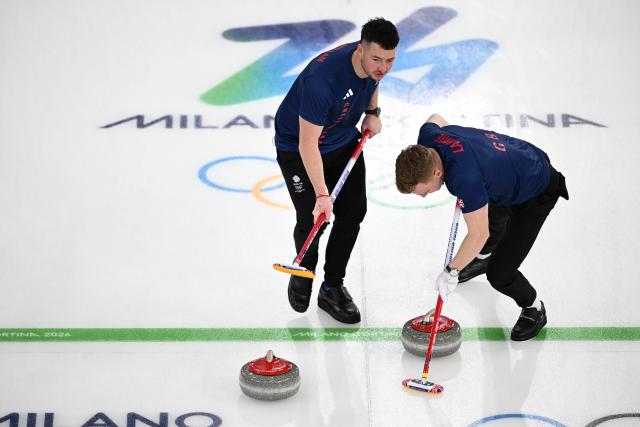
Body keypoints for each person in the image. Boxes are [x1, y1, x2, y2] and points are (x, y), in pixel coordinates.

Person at [395, 113, 569, 341]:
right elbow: (435, 118)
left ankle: (534, 307)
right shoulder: (428, 140)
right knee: (490, 220)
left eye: (425, 191)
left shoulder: (465, 178)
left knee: (500, 273)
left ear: (437, 172)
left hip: (536, 189)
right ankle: (481, 258)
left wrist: (450, 271)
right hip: (510, 166)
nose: (426, 196)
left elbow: (478, 233)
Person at [274, 18, 399, 324]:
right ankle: (304, 269)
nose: (383, 67)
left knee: (353, 212)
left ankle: (332, 287)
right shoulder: (323, 80)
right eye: (377, 59)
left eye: (390, 60)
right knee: (314, 219)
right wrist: (321, 194)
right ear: (360, 50)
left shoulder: (373, 66)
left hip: (343, 141)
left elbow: (374, 80)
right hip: (298, 149)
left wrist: (372, 113)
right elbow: (307, 144)